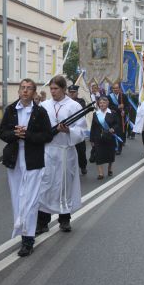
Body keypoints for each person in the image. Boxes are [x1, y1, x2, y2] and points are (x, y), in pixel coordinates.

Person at [0, 79, 52, 257]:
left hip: (33, 160)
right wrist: (14, 134)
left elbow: (47, 136)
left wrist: (27, 135)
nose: (25, 91)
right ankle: (22, 231)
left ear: (34, 92)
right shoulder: (11, 110)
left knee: (30, 199)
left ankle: (28, 240)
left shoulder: (40, 112)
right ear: (19, 91)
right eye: (23, 88)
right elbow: (2, 132)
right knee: (17, 197)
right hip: (14, 159)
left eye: (29, 89)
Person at [37, 75, 87, 234]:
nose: (53, 92)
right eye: (51, 88)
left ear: (64, 89)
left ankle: (64, 220)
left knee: (65, 186)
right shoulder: (44, 106)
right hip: (48, 151)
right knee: (45, 186)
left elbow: (82, 130)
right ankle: (42, 222)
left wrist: (69, 130)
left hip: (66, 152)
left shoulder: (74, 106)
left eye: (56, 89)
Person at [90, 96, 119, 179]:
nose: (102, 104)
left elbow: (117, 124)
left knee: (110, 155)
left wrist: (113, 128)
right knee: (98, 155)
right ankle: (100, 173)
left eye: (104, 103)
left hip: (109, 137)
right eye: (100, 103)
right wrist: (92, 139)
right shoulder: (96, 114)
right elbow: (93, 127)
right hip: (98, 138)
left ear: (107, 103)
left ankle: (110, 168)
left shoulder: (112, 113)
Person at [67, 85, 88, 175]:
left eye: (73, 92)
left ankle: (83, 166)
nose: (72, 94)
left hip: (78, 128)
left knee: (81, 150)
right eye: (70, 92)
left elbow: (80, 111)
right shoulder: (65, 102)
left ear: (77, 93)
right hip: (67, 129)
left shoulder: (81, 101)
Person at [108, 82, 128, 155]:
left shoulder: (124, 96)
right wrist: (118, 107)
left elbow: (127, 106)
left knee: (120, 133)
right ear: (112, 89)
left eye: (117, 88)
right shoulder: (109, 97)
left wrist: (124, 111)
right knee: (113, 133)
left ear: (119, 89)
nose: (115, 89)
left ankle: (119, 148)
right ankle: (114, 147)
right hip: (112, 118)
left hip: (121, 117)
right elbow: (109, 106)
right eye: (114, 88)